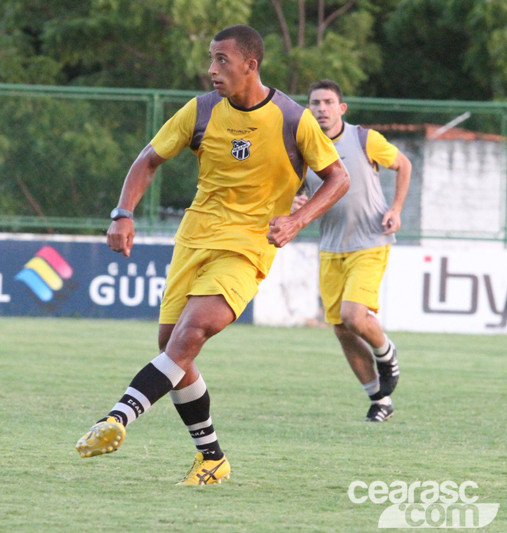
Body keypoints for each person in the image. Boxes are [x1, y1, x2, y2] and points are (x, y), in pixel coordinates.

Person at [75, 25, 350, 485]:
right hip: (194, 240)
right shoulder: (201, 110)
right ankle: (212, 459)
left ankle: (117, 418)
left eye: (221, 59)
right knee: (171, 348)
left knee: (194, 331)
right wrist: (123, 213)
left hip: (247, 246)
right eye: (211, 58)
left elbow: (338, 178)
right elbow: (148, 159)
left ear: (250, 64)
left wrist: (296, 220)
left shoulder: (291, 118)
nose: (211, 69)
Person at [293, 79, 411, 422]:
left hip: (370, 242)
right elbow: (292, 191)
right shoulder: (304, 149)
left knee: (354, 316)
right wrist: (295, 201)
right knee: (342, 329)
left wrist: (397, 209)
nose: (322, 108)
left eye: (328, 102)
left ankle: (386, 352)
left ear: (341, 108)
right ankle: (379, 400)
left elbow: (404, 164)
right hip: (330, 247)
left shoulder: (363, 139)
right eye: (315, 103)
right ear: (308, 109)